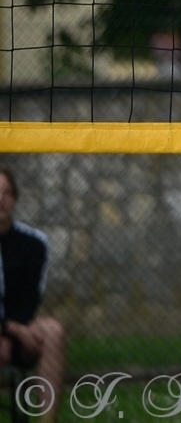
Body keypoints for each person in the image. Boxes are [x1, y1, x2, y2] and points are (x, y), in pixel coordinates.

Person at [0, 168, 65, 422]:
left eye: (6, 193)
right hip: (11, 330)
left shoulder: (33, 243)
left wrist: (15, 331)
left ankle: (46, 419)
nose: (1, 199)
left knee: (54, 332)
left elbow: (31, 296)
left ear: (15, 199)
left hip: (22, 329)